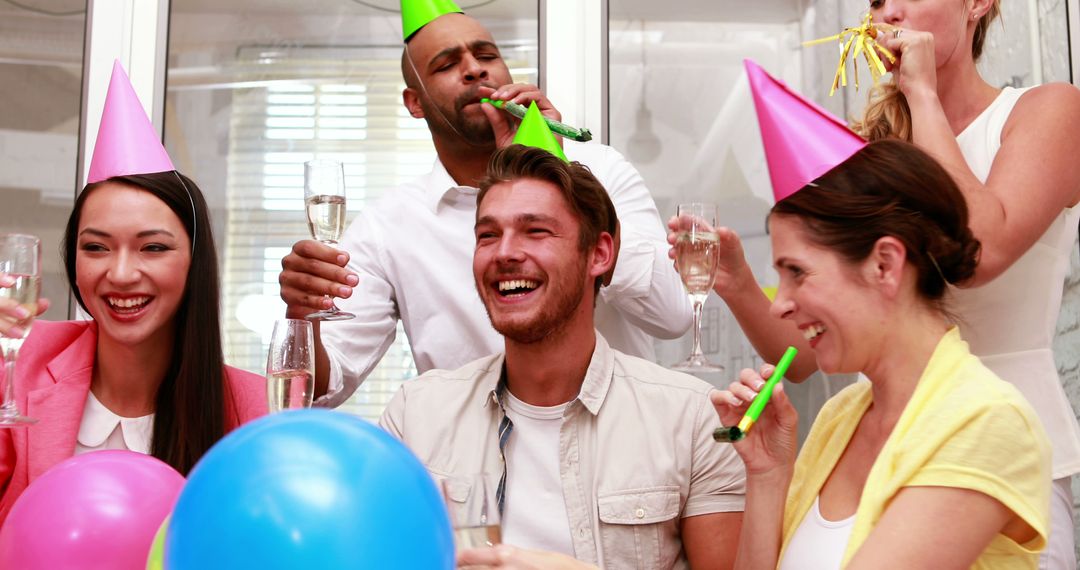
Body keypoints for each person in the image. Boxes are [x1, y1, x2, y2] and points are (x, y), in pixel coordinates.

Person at [278, 1, 690, 407]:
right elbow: (317, 388)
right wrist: (303, 313)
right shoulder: (389, 226)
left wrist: (560, 176)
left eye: (486, 54)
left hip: (618, 446)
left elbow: (673, 317)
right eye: (446, 64)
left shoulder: (602, 169)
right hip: (477, 462)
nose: (475, 68)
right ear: (414, 102)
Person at [380, 145, 745, 569]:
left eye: (535, 231)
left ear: (599, 254)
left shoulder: (692, 418)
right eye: (488, 235)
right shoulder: (415, 416)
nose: (504, 253)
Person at [720, 138, 1050, 569]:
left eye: (796, 272)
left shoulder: (985, 420)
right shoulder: (839, 418)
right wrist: (766, 474)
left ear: (885, 265)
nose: (780, 303)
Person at [0, 63, 266, 527]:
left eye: (154, 247)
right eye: (96, 247)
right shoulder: (19, 366)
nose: (120, 273)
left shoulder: (255, 409)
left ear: (193, 260)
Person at [861, 4, 1080, 565]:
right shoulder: (874, 151)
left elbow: (982, 248)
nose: (888, 11)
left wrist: (922, 94)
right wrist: (737, 277)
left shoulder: (1050, 110)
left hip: (1017, 462)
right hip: (893, 455)